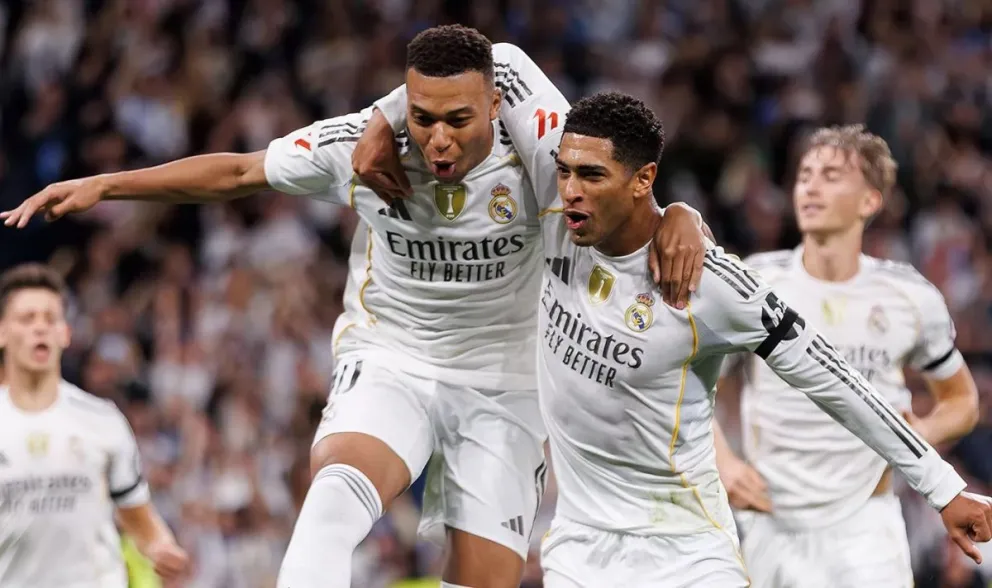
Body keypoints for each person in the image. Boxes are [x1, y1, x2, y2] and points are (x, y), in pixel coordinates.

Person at [0, 26, 707, 588]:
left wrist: (681, 213)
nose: (437, 139)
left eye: (458, 120)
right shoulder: (363, 149)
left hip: (506, 377)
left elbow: (625, 189)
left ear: (495, 107)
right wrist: (108, 184)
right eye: (422, 117)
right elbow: (240, 172)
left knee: (490, 577)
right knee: (336, 493)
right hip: (393, 353)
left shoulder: (542, 151)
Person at [359, 59, 992, 588]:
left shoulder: (710, 286)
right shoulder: (558, 198)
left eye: (592, 177)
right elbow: (493, 57)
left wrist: (942, 487)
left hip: (687, 558)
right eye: (566, 172)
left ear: (643, 181)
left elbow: (837, 381)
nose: (570, 190)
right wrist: (384, 117)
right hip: (579, 554)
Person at [712, 125, 982, 588]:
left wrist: (920, 432)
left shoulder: (909, 296)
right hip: (770, 522)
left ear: (870, 201)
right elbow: (688, 385)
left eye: (832, 175)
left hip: (867, 526)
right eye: (804, 175)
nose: (811, 187)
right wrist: (722, 462)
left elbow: (962, 400)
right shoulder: (755, 284)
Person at [0, 263, 188, 587]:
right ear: (2, 332)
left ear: (65, 333)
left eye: (50, 319)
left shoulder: (103, 421)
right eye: (27, 319)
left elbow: (139, 521)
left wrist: (162, 547)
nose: (40, 328)